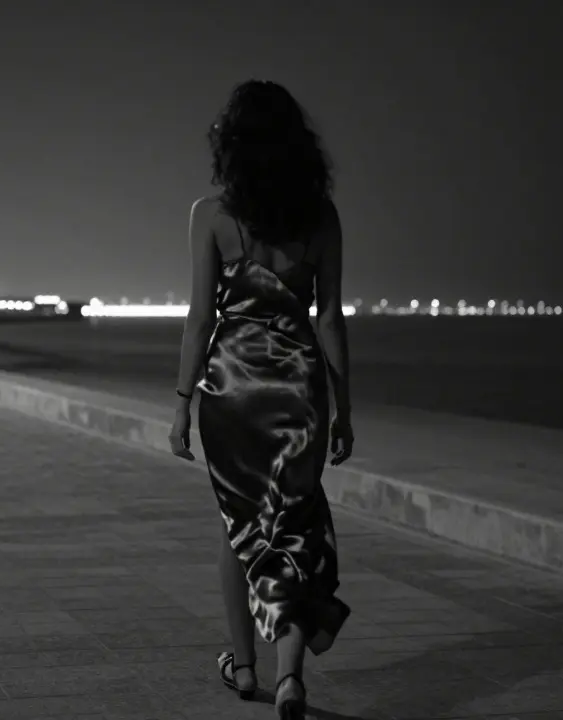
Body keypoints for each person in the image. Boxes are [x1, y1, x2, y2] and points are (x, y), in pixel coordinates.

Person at [170, 79, 353, 720]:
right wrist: (345, 409)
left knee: (239, 525)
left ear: (234, 147)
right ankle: (289, 676)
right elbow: (329, 318)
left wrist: (180, 404)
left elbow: (199, 318)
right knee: (295, 527)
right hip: (300, 388)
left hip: (232, 389)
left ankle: (242, 668)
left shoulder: (212, 215)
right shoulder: (321, 217)